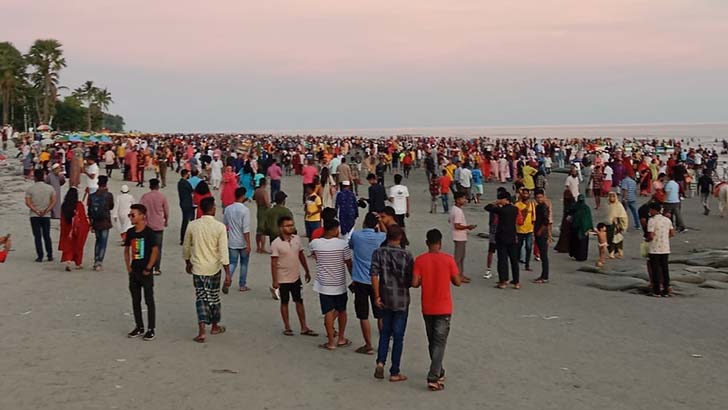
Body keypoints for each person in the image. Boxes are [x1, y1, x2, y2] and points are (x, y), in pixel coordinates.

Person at [411, 228, 462, 391]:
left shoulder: (420, 260)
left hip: (428, 306)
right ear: (440, 243)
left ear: (427, 243)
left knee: (432, 341)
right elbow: (457, 281)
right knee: (440, 342)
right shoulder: (448, 259)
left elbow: (414, 283)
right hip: (444, 306)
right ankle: (433, 376)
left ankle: (438, 370)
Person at [183, 197, 231, 343]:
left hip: (198, 268)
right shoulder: (219, 227)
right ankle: (215, 325)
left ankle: (202, 330)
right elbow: (223, 252)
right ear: (213, 209)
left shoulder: (193, 225)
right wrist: (228, 273)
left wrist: (187, 262)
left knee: (201, 298)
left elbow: (186, 247)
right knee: (214, 296)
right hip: (214, 268)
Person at [372, 224, 414, 382]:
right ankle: (394, 371)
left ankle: (380, 362)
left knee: (385, 333)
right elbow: (411, 280)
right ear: (400, 237)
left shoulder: (378, 252)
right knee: (398, 336)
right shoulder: (407, 256)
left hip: (385, 297)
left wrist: (377, 296)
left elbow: (374, 275)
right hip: (402, 300)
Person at [270, 215, 318, 337]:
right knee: (284, 302)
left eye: (292, 225)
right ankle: (287, 326)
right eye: (288, 225)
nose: (291, 227)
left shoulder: (296, 239)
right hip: (283, 278)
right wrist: (275, 280)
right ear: (281, 227)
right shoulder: (276, 243)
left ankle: (304, 326)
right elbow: (274, 263)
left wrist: (307, 270)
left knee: (299, 301)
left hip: (296, 277)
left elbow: (301, 255)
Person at [310, 218, 353, 350]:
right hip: (339, 283)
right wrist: (353, 278)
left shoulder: (315, 243)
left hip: (324, 284)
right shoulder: (342, 245)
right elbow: (348, 263)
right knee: (342, 311)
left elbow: (315, 256)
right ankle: (341, 337)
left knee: (328, 312)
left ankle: (330, 341)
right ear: (335, 230)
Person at [348, 213, 387, 355]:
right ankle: (383, 344)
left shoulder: (357, 236)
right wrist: (381, 222)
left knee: (363, 315)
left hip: (360, 280)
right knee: (380, 314)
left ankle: (368, 345)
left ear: (364, 222)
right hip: (377, 280)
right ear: (376, 224)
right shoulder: (381, 237)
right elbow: (386, 234)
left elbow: (350, 246)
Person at [124, 204, 160, 341]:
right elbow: (126, 250)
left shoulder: (149, 233)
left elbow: (155, 251)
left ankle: (151, 328)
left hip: (146, 272)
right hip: (134, 271)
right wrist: (128, 267)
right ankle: (139, 326)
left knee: (149, 300)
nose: (131, 217)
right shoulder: (130, 232)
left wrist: (149, 268)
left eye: (133, 215)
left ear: (142, 216)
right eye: (130, 215)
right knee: (135, 300)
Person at [485, 191, 520, 289]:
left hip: (502, 237)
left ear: (505, 199)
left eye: (501, 199)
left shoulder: (502, 210)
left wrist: (495, 203)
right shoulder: (515, 209)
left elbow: (487, 207)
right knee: (514, 260)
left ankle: (503, 281)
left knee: (502, 260)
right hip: (512, 237)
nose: (500, 201)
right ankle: (516, 281)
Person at [223, 187, 252, 292]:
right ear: (243, 196)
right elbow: (246, 229)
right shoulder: (245, 210)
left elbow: (225, 224)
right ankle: (242, 284)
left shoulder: (228, 209)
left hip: (232, 240)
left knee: (232, 262)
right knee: (244, 263)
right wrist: (248, 244)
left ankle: (228, 279)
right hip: (242, 241)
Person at [26, 169, 57, 262]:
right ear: (43, 176)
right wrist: (47, 210)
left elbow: (28, 202)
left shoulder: (30, 189)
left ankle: (40, 255)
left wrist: (36, 210)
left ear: (35, 177)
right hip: (46, 214)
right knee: (47, 235)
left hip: (34, 215)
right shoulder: (50, 188)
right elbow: (54, 201)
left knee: (37, 236)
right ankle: (50, 255)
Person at [139, 178, 169, 275]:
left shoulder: (145, 197)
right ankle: (157, 268)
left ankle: (148, 266)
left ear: (150, 186)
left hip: (148, 225)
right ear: (158, 186)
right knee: (158, 248)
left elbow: (140, 210)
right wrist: (166, 220)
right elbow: (166, 210)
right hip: (158, 225)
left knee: (147, 247)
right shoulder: (162, 197)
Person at [646, 202, 675, 297]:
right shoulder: (667, 220)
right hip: (665, 247)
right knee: (665, 269)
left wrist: (648, 240)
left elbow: (650, 235)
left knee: (655, 269)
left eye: (650, 210)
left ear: (654, 210)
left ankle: (657, 290)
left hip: (654, 248)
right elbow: (672, 233)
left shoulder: (652, 220)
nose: (649, 211)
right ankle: (666, 289)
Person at [58, 187, 90, 271]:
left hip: (68, 228)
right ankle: (78, 263)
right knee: (78, 246)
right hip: (78, 229)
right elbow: (83, 218)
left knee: (69, 245)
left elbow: (62, 219)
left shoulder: (64, 206)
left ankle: (68, 261)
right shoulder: (79, 205)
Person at [88, 175, 114, 271]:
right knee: (103, 242)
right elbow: (111, 207)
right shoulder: (109, 195)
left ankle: (95, 260)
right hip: (105, 221)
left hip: (96, 221)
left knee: (97, 241)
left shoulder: (92, 196)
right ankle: (99, 262)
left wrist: (91, 223)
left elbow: (89, 211)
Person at [449, 192, 475, 283]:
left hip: (460, 236)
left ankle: (460, 274)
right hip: (459, 236)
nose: (465, 200)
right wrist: (467, 227)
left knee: (461, 257)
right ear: (457, 200)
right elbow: (457, 225)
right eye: (463, 198)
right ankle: (456, 275)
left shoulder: (454, 209)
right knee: (458, 258)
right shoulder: (458, 211)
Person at [532, 188, 551, 283]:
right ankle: (543, 275)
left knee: (544, 256)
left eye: (540, 197)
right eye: (537, 197)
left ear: (543, 197)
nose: (539, 199)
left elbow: (546, 221)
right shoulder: (538, 207)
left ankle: (545, 276)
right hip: (538, 232)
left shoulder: (544, 207)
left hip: (542, 234)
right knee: (542, 255)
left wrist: (540, 231)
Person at [515, 188, 536, 272]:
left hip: (529, 230)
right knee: (518, 247)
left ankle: (527, 265)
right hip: (519, 230)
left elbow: (533, 218)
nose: (525, 195)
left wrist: (533, 230)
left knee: (528, 247)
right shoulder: (517, 205)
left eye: (527, 194)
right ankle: (516, 262)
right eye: (524, 194)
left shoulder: (532, 204)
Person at [569, 194, 594, 262]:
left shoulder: (577, 207)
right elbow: (589, 219)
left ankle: (579, 255)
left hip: (578, 228)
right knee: (581, 243)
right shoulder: (584, 208)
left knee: (579, 242)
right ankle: (581, 256)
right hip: (580, 228)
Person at [605, 192, 628, 259]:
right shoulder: (607, 204)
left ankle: (615, 252)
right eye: (610, 196)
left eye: (613, 196)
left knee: (616, 239)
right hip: (608, 225)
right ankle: (613, 252)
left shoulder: (619, 205)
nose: (611, 198)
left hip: (616, 226)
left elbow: (623, 215)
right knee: (609, 239)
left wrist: (619, 223)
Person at [253, 178, 271, 253]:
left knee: (259, 229)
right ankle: (262, 248)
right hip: (264, 211)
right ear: (265, 183)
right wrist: (270, 206)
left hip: (259, 209)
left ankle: (258, 247)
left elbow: (254, 198)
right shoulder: (264, 192)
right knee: (263, 230)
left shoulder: (257, 191)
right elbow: (266, 202)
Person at [177, 169, 195, 245]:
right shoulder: (186, 183)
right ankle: (186, 238)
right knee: (188, 221)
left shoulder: (180, 183)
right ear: (185, 174)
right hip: (187, 203)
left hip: (183, 202)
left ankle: (183, 238)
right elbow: (192, 190)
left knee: (185, 221)